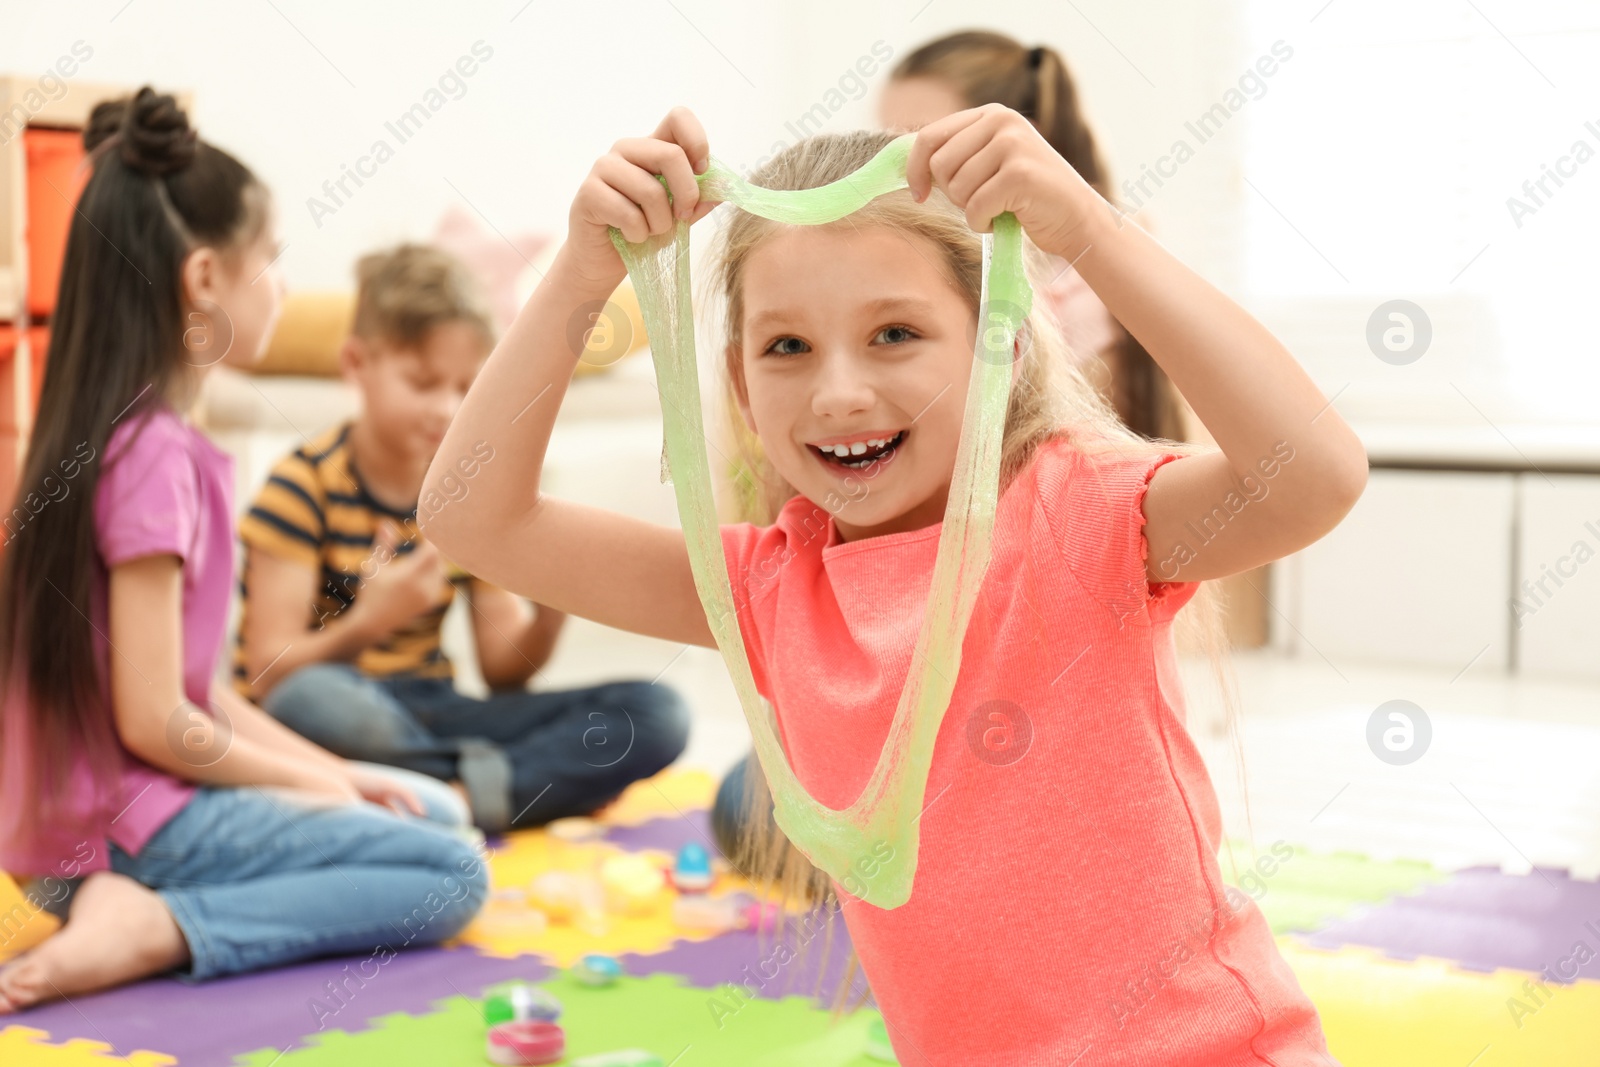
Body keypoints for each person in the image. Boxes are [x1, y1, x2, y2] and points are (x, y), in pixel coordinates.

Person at [419, 105, 1368, 1063]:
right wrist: (583, 275)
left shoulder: (1076, 514)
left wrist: (1086, 229)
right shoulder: (768, 588)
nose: (838, 392)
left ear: (1001, 347)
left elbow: (1313, 474)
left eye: (896, 334)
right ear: (743, 391)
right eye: (787, 347)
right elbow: (470, 517)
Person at [0, 89, 487, 1013]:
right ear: (204, 279)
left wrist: (335, 775)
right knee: (451, 871)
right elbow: (156, 723)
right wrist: (320, 787)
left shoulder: (116, 439)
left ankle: (143, 906)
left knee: (433, 808)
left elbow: (190, 690)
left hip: (75, 838)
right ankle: (160, 925)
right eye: (270, 260)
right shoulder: (154, 462)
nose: (283, 288)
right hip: (123, 832)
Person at [234, 243, 690, 833]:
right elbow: (269, 674)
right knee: (307, 701)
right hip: (342, 706)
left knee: (656, 714)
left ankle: (448, 797)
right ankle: (506, 786)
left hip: (440, 713)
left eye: (464, 387)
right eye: (422, 383)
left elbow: (504, 671)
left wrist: (554, 607)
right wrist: (371, 621)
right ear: (355, 364)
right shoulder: (302, 486)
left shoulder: (468, 496)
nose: (446, 409)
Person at [880, 30, 1190, 444]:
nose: (905, 169)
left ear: (1022, 142)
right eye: (888, 144)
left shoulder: (1085, 292)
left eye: (926, 141)